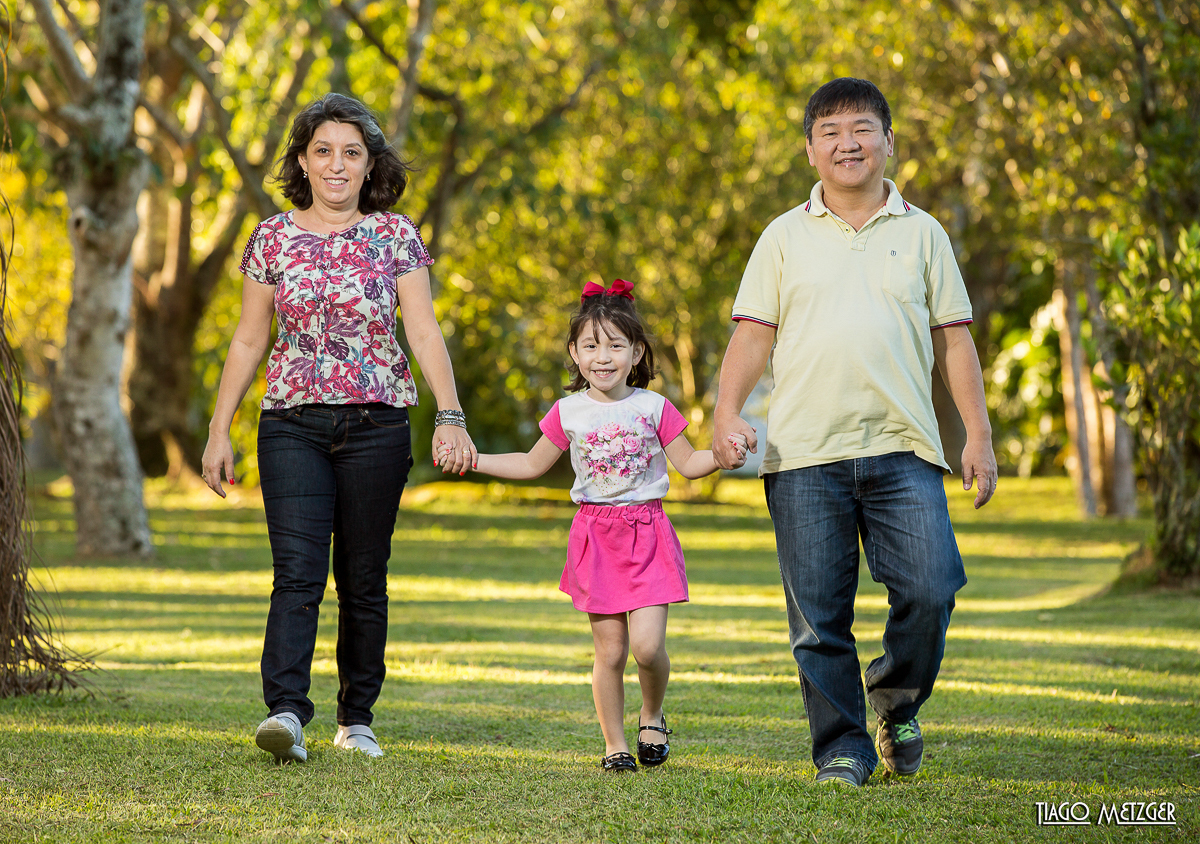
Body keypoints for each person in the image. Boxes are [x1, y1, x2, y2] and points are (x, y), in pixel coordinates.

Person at [712, 78, 998, 788]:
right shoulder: (782, 236)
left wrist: (979, 436)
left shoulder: (924, 232)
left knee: (931, 588)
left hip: (905, 447)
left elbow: (954, 340)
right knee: (818, 620)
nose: (849, 143)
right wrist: (726, 413)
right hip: (804, 453)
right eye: (831, 132)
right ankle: (842, 747)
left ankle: (897, 705)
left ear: (888, 142)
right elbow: (753, 334)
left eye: (862, 129)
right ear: (810, 149)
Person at [201, 93, 477, 764]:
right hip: (290, 425)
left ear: (369, 164)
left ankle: (356, 720)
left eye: (351, 152)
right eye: (322, 150)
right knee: (296, 573)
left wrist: (450, 415)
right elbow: (248, 339)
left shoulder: (396, 235)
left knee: (362, 577)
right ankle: (286, 713)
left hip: (377, 426)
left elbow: (423, 331)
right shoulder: (271, 238)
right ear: (302, 160)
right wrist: (218, 428)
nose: (336, 164)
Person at [442, 280, 747, 772]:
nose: (603, 357)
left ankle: (652, 713)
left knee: (648, 647)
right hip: (596, 539)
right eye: (590, 345)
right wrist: (474, 459)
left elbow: (690, 463)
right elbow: (530, 463)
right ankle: (615, 745)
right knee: (611, 652)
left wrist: (723, 456)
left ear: (636, 352)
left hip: (648, 534)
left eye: (615, 345)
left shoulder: (654, 407)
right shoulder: (568, 411)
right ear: (574, 353)